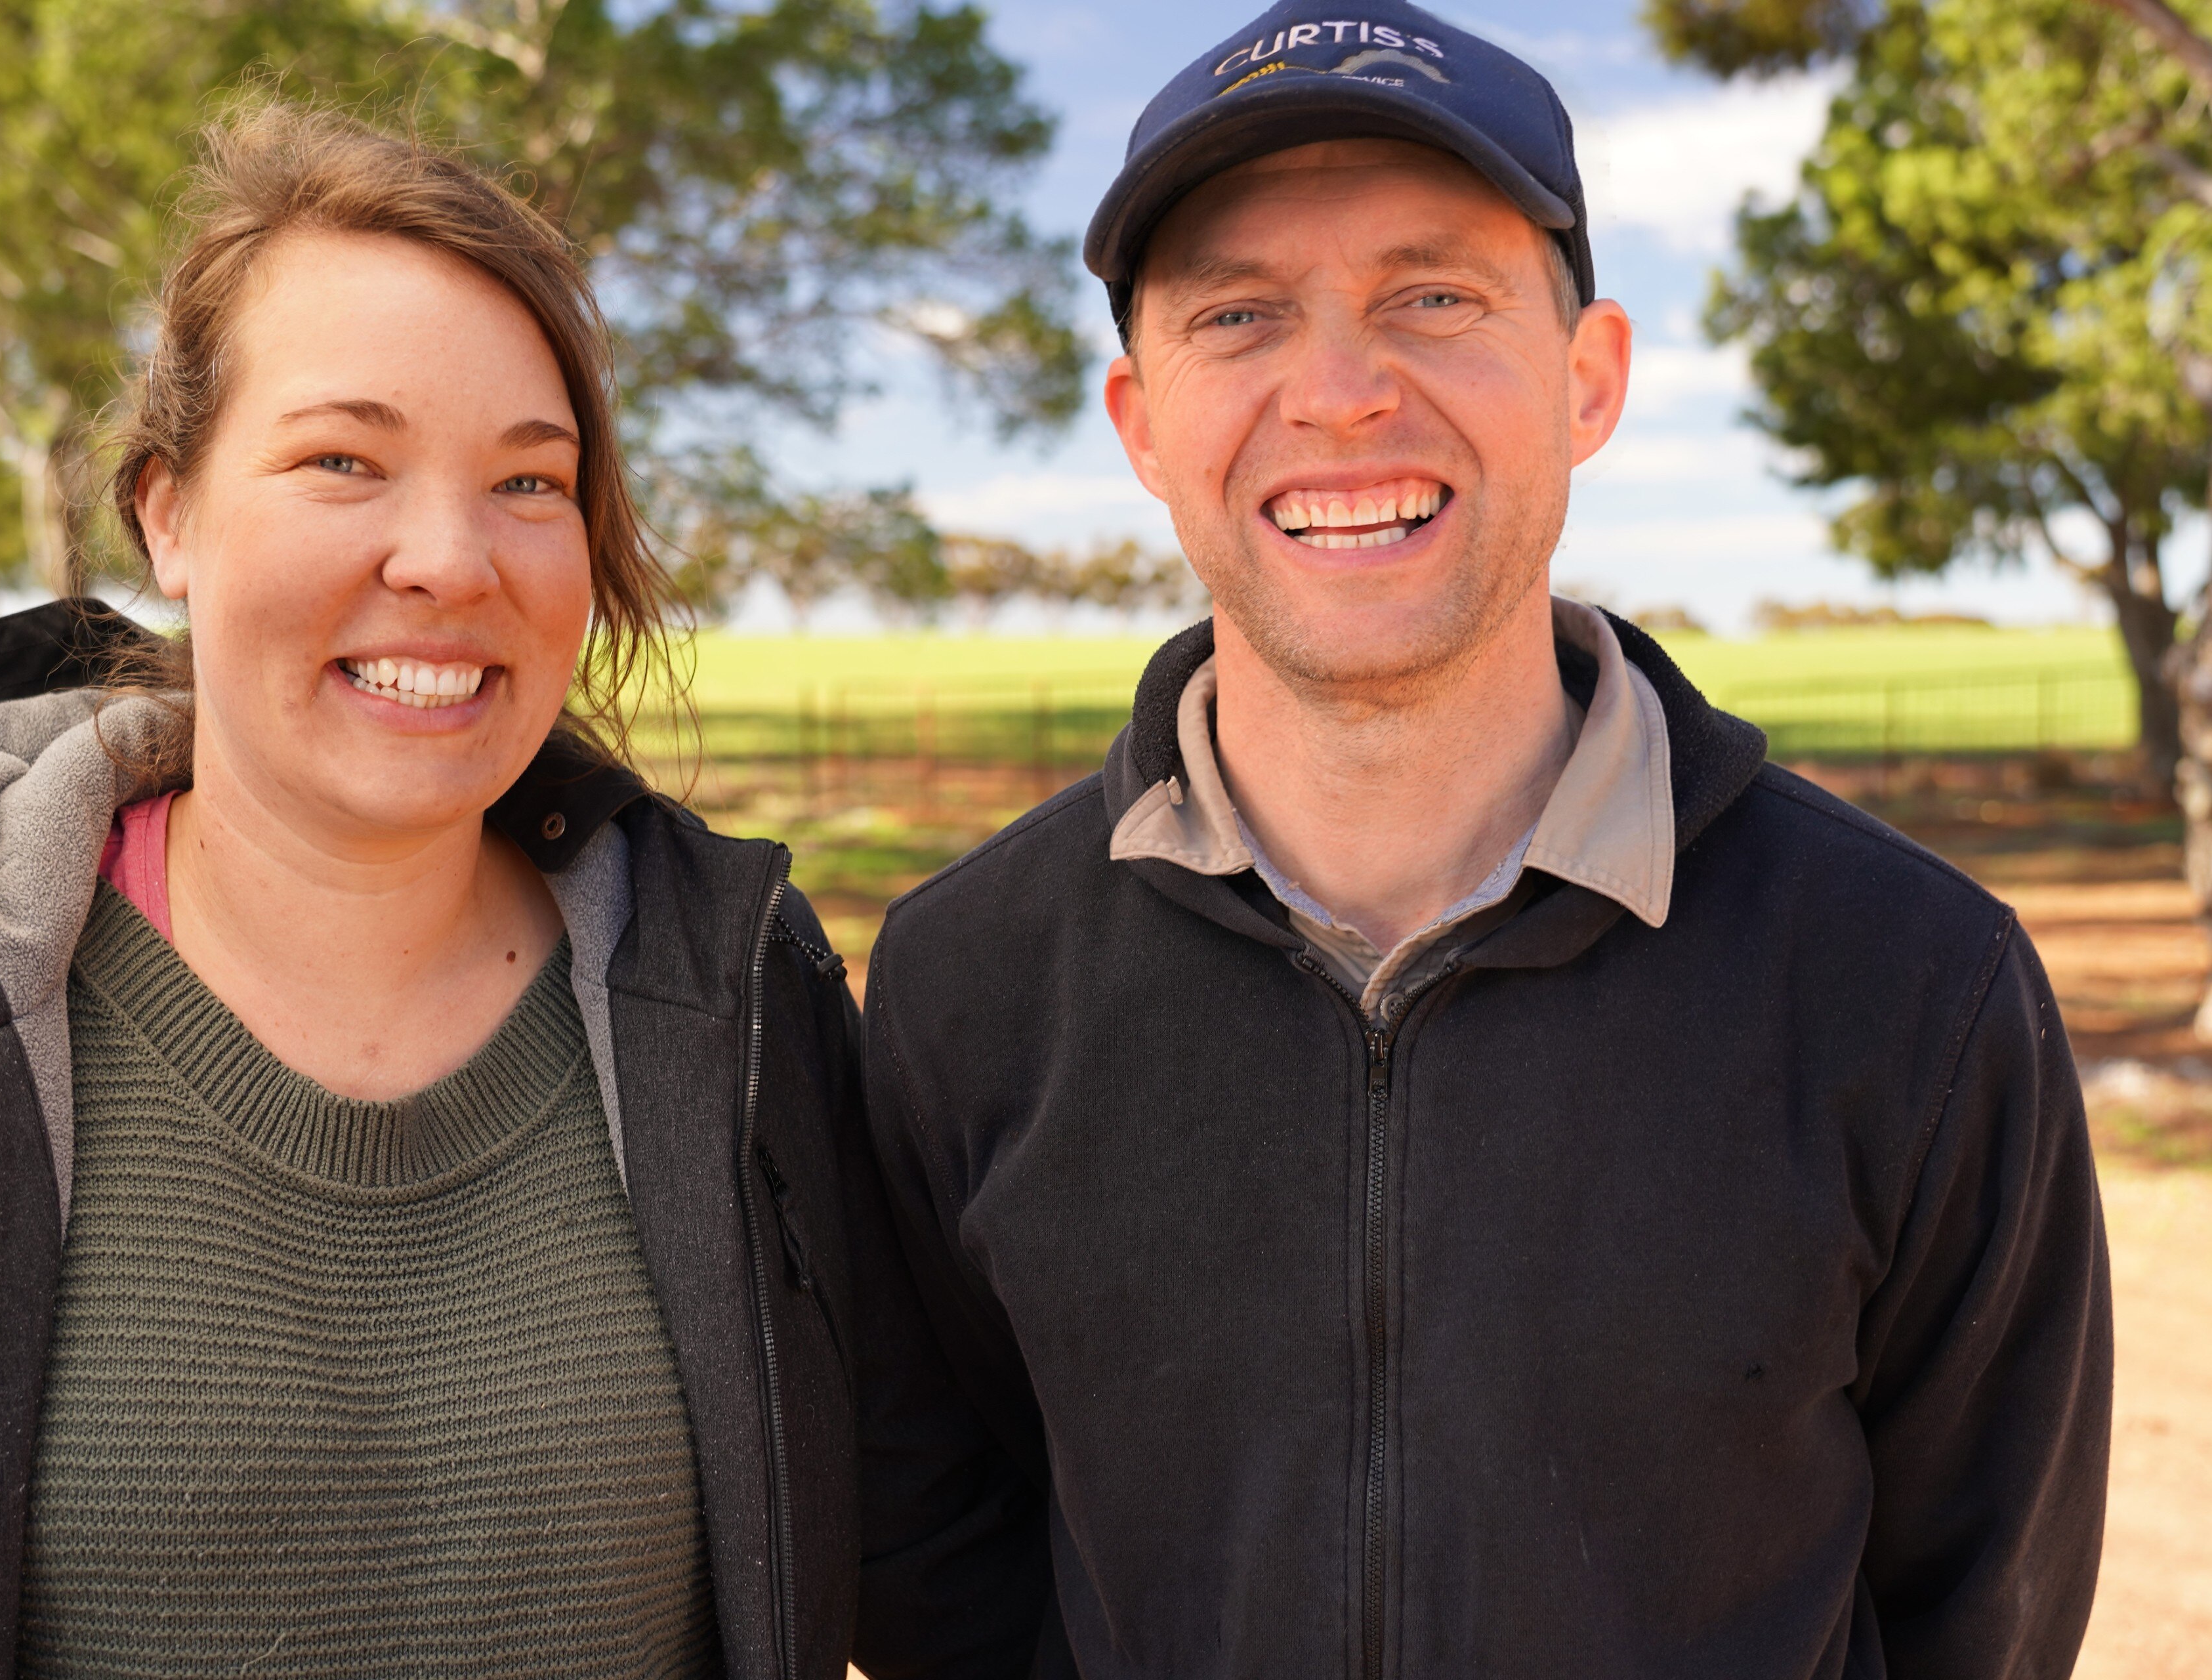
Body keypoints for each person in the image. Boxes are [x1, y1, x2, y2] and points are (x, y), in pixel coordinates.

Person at [853, 5, 2114, 1676]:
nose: (1342, 391)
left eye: (1433, 296)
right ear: (1143, 422)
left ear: (1587, 378)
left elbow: (1986, 1612)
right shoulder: (965, 984)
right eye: (1239, 314)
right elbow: (943, 1559)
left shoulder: (1918, 987)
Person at [0, 106, 891, 1680]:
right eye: (344, 459)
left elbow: (948, 1546)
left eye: (531, 484)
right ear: (169, 512)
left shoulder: (740, 998)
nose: (451, 558)